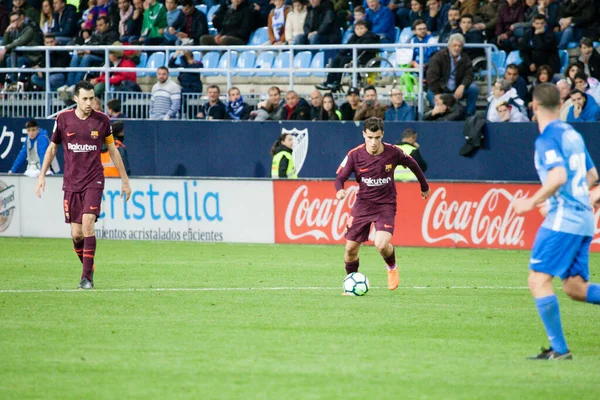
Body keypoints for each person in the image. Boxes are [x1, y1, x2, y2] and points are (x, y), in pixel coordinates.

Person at [512, 83, 600, 360]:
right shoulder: (572, 134)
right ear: (559, 104)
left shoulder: (547, 138)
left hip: (565, 219)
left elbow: (559, 176)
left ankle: (560, 350)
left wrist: (534, 201)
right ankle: (559, 349)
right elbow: (592, 177)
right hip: (584, 219)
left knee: (538, 279)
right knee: (575, 287)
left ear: (535, 107)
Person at [35, 80, 132, 290]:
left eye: (92, 99)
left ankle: (86, 278)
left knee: (88, 223)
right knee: (76, 234)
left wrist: (125, 180)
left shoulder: (102, 120)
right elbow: (52, 149)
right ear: (76, 99)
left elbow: (113, 151)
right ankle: (88, 264)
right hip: (71, 182)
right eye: (85, 99)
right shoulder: (63, 119)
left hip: (94, 179)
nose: (90, 103)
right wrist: (42, 175)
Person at [334, 117, 430, 292]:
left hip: (385, 204)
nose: (373, 142)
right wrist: (340, 190)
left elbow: (413, 165)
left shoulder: (393, 152)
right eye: (370, 137)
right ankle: (350, 283)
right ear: (364, 134)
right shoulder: (354, 154)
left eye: (377, 138)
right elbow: (340, 177)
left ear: (382, 135)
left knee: (381, 244)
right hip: (363, 205)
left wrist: (424, 186)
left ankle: (392, 267)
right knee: (350, 250)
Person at [315, 20, 379, 90]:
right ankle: (329, 81)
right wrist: (341, 53)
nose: (359, 31)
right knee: (338, 58)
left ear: (366, 29)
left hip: (364, 59)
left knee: (344, 60)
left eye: (361, 28)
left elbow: (360, 50)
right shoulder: (354, 37)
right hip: (354, 57)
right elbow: (347, 47)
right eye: (357, 28)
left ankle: (337, 82)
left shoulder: (370, 37)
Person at [426, 33, 479, 117]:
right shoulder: (438, 57)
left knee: (473, 88)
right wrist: (437, 93)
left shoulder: (465, 58)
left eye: (459, 46)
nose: (457, 48)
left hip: (457, 90)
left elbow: (469, 74)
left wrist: (462, 86)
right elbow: (431, 77)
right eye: (454, 45)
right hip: (441, 90)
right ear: (449, 46)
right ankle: (442, 115)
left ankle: (469, 116)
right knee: (430, 93)